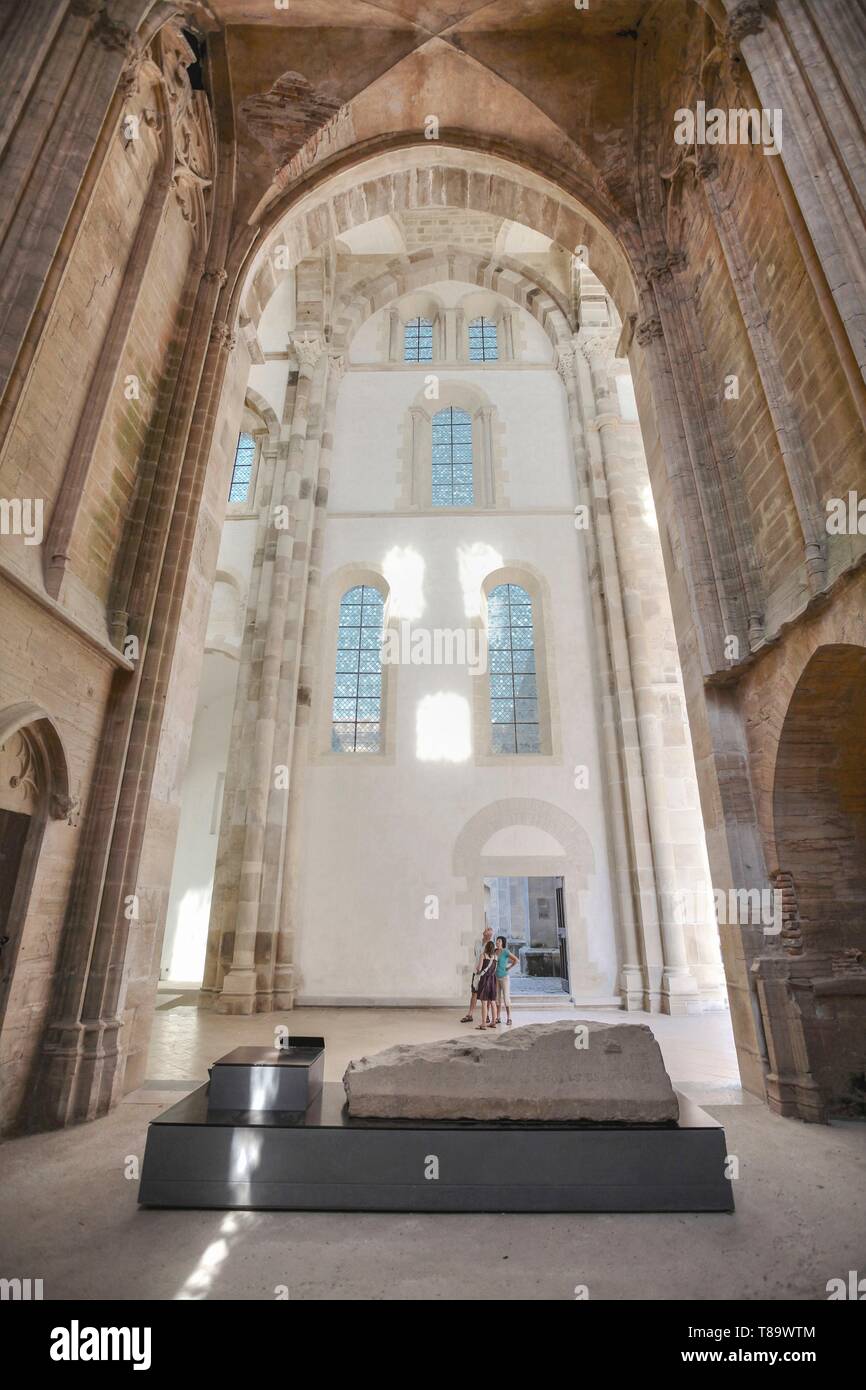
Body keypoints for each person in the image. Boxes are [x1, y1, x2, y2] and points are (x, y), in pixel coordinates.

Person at [460, 923, 493, 1023]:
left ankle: (487, 1015)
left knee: (486, 995)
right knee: (474, 993)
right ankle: (470, 1015)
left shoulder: (491, 944)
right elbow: (476, 955)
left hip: (485, 973)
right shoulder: (477, 942)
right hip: (476, 971)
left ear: (490, 934)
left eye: (488, 931)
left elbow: (491, 959)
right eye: (486, 930)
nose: (486, 931)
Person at [494, 935, 519, 1025]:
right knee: (497, 999)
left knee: (506, 998)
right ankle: (498, 1017)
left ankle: (509, 1018)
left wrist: (509, 967)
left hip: (504, 978)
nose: (497, 942)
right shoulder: (495, 952)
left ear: (503, 943)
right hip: (496, 978)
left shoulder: (505, 952)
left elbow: (516, 960)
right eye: (497, 941)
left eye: (499, 941)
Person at [475, 940, 498, 1029]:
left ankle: (484, 1023)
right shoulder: (496, 957)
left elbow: (479, 968)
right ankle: (493, 1022)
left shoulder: (483, 955)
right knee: (493, 1002)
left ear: (486, 947)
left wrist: (478, 969)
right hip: (492, 980)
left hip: (484, 980)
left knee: (484, 1002)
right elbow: (494, 970)